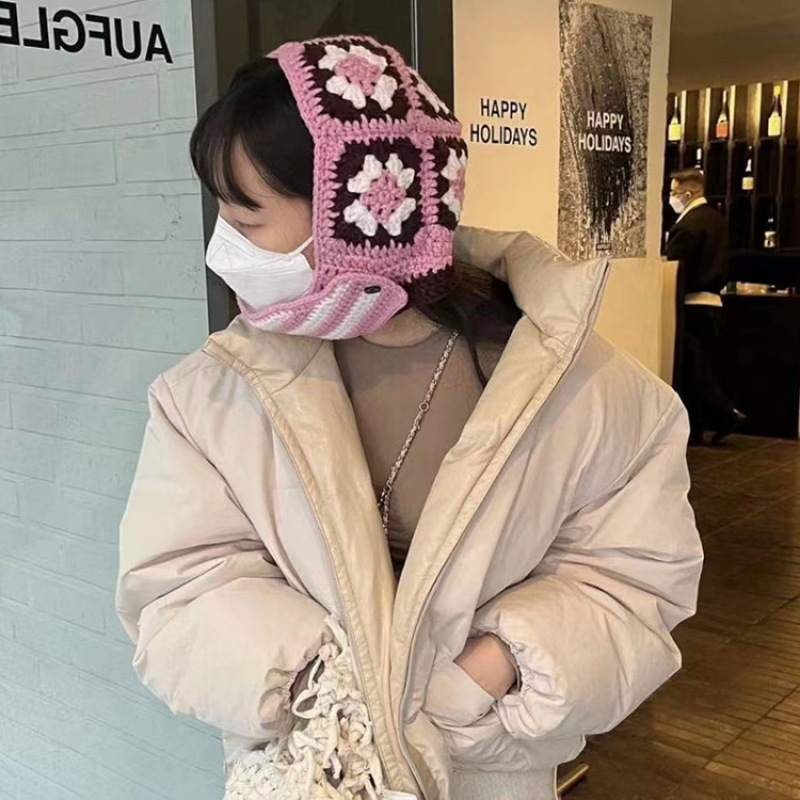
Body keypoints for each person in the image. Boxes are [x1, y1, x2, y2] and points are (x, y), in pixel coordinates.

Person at [115, 36, 703, 800]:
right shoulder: (210, 397)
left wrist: (489, 672)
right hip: (310, 775)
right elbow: (175, 586)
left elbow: (636, 581)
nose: (223, 244)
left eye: (247, 218)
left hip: (488, 776)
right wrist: (323, 686)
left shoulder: (585, 392)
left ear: (358, 220)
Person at [666, 168, 746, 445]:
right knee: (698, 366)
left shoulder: (687, 226)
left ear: (688, 193)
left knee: (693, 370)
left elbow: (676, 270)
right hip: (712, 303)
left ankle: (723, 414)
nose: (671, 198)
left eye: (674, 193)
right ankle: (698, 427)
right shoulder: (715, 219)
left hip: (691, 304)